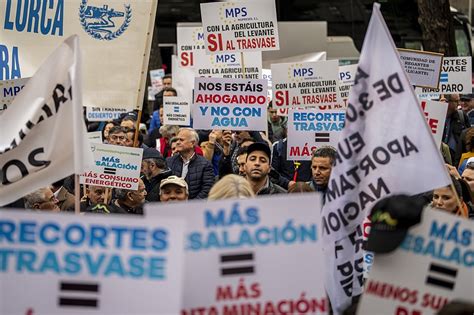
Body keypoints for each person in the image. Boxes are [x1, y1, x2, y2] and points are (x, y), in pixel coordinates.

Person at [167, 128, 215, 199]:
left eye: (181, 140)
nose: (177, 142)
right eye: (177, 139)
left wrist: (191, 206)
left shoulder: (205, 164)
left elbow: (207, 190)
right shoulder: (169, 161)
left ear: (192, 143)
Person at [442, 94, 470, 166]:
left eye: (459, 101)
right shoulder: (435, 115)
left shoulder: (462, 116)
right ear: (447, 101)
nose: (459, 104)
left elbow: (469, 137)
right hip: (440, 158)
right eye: (456, 101)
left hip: (457, 159)